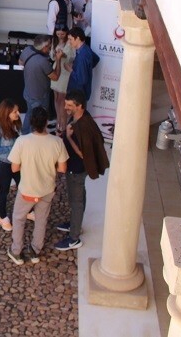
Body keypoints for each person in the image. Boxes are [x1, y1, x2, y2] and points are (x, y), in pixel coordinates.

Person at [7, 107, 68, 265]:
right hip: (47, 190)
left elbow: (14, 168)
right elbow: (62, 169)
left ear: (32, 123)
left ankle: (17, 252)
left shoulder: (22, 141)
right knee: (41, 220)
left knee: (19, 219)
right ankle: (35, 251)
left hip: (27, 189)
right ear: (47, 122)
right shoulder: (57, 142)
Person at [55, 89, 110, 251]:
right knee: (77, 197)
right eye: (66, 104)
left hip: (77, 170)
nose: (66, 107)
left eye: (70, 105)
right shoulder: (82, 119)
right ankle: (74, 224)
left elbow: (83, 153)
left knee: (76, 201)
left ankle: (74, 238)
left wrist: (69, 137)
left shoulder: (83, 126)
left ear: (80, 106)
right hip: (75, 169)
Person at [0, 99, 22, 231]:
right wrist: (12, 149)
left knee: (23, 186)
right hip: (4, 164)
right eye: (15, 111)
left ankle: (28, 211)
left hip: (17, 163)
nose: (18, 113)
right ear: (7, 113)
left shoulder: (16, 125)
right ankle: (3, 217)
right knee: (4, 190)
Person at [18, 35, 63, 134]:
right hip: (39, 96)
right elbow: (55, 77)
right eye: (49, 46)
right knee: (38, 120)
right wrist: (58, 60)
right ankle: (34, 138)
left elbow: (20, 62)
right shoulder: (42, 61)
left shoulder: (27, 50)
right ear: (44, 47)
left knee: (30, 113)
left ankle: (24, 135)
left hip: (28, 92)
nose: (50, 48)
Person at [49, 26, 75, 132]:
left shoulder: (70, 42)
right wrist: (55, 55)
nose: (60, 36)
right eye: (58, 34)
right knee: (56, 98)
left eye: (62, 34)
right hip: (56, 69)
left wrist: (64, 55)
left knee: (62, 98)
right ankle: (58, 121)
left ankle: (63, 124)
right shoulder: (54, 41)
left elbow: (73, 56)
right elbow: (51, 57)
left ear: (66, 33)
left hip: (65, 71)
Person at [65, 27, 101, 102]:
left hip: (78, 95)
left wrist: (70, 70)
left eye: (70, 39)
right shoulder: (86, 48)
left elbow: (81, 80)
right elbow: (96, 59)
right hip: (81, 93)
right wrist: (86, 69)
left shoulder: (82, 55)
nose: (69, 42)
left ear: (77, 38)